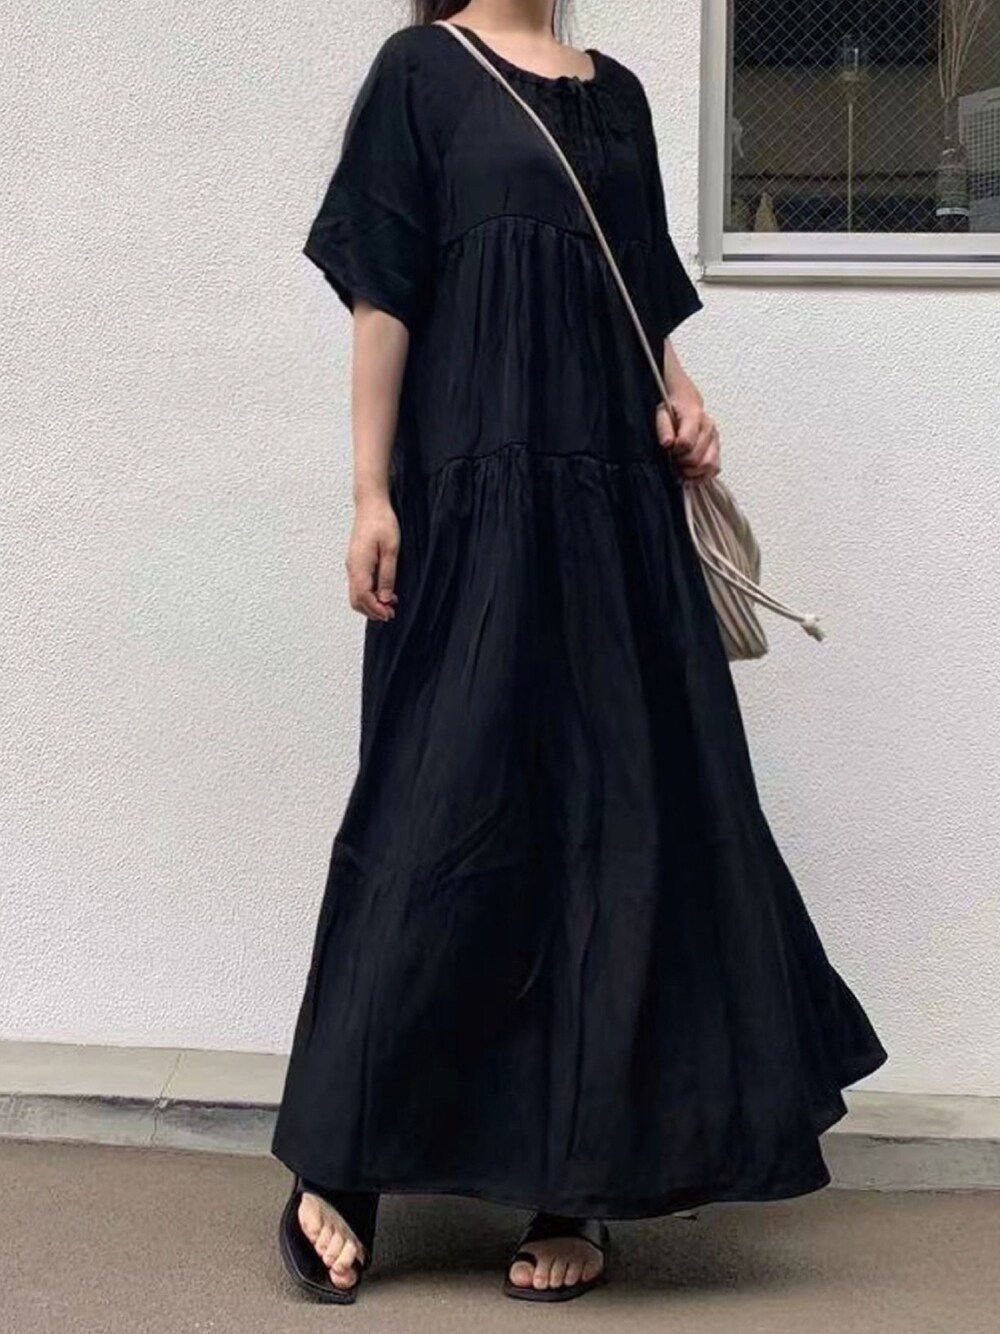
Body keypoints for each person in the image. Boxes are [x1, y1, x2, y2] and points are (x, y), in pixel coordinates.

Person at [271, 0, 888, 1305]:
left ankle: (575, 1185)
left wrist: (686, 397)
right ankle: (340, 1159)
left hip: (613, 516)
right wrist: (370, 491)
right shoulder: (422, 72)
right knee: (429, 814)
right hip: (472, 504)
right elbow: (384, 292)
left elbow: (637, 297)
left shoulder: (621, 97)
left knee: (614, 833)